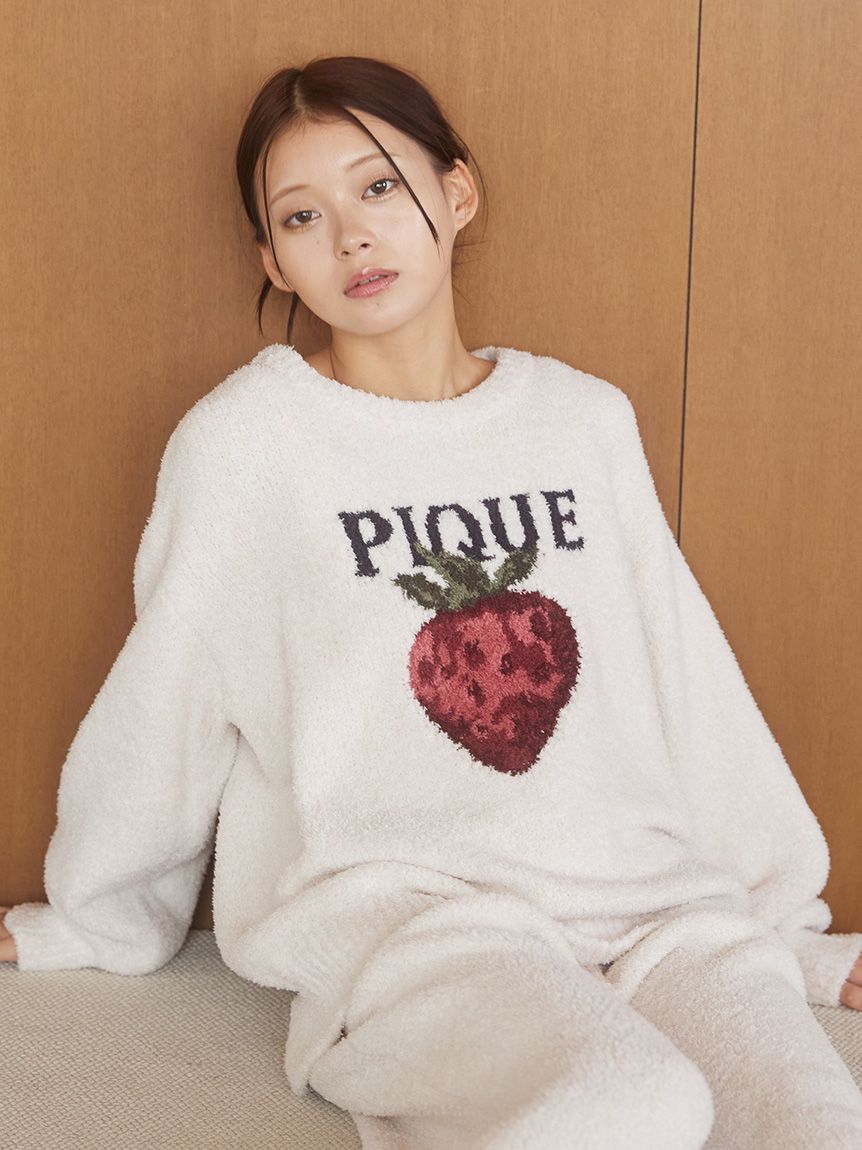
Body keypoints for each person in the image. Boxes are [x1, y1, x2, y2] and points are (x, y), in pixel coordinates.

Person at [3, 53, 862, 1150]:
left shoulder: (581, 421)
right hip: (416, 933)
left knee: (815, 1127)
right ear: (272, 259)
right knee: (634, 1105)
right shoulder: (248, 447)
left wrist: (785, 925)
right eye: (302, 216)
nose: (351, 237)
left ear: (457, 193)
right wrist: (97, 916)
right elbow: (169, 696)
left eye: (378, 187)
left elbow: (683, 671)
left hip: (662, 911)